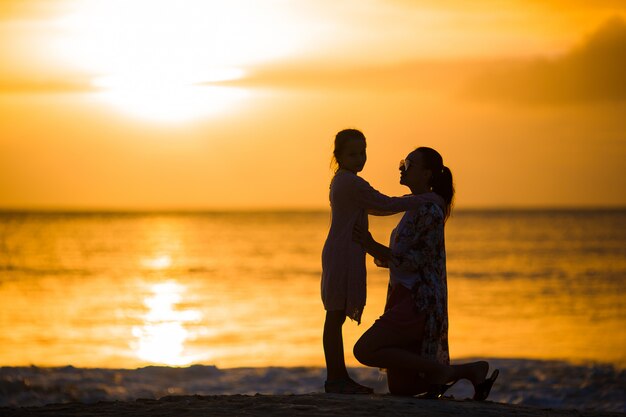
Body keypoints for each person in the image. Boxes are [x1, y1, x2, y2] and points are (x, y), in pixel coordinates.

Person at [352, 146, 499, 399]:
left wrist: (373, 246)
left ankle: (442, 371)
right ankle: (467, 371)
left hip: (417, 301)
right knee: (401, 389)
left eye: (409, 164)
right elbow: (405, 259)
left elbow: (417, 260)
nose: (402, 167)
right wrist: (373, 249)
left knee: (364, 350)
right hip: (401, 297)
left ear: (427, 174)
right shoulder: (414, 207)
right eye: (403, 162)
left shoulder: (430, 210)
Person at [321, 129, 444, 394]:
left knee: (336, 316)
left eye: (362, 152)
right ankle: (336, 378)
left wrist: (413, 200)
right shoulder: (350, 182)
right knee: (334, 316)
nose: (359, 158)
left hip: (343, 251)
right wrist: (423, 199)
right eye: (352, 154)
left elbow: (377, 207)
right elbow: (384, 204)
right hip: (342, 253)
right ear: (338, 156)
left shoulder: (346, 181)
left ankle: (338, 377)